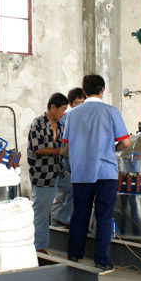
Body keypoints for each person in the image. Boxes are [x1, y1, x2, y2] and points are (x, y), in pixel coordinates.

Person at [62, 75, 130, 272]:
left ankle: (74, 254)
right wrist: (110, 149)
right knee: (104, 216)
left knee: (80, 214)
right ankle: (102, 260)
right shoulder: (111, 112)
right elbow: (125, 142)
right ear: (102, 90)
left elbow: (66, 148)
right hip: (105, 172)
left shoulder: (72, 115)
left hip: (81, 172)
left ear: (83, 91)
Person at [27, 92, 69, 253]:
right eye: (62, 110)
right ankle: (39, 247)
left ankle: (62, 216)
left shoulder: (61, 126)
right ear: (53, 107)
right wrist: (60, 151)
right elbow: (37, 149)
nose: (63, 113)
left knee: (76, 188)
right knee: (42, 213)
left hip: (58, 171)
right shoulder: (37, 123)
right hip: (43, 175)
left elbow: (65, 147)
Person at [51, 88, 86, 228]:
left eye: (82, 102)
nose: (80, 105)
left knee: (77, 195)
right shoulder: (64, 119)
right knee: (61, 194)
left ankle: (68, 221)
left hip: (80, 163)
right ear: (71, 104)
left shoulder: (87, 119)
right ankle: (55, 224)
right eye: (77, 103)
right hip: (65, 163)